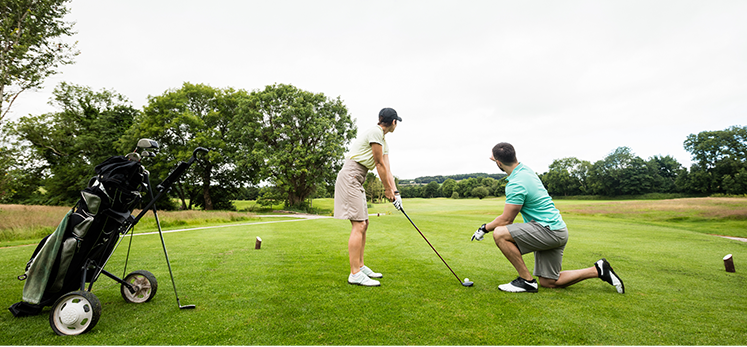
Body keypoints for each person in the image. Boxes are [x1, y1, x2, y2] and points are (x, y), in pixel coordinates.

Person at [471, 142, 624, 294]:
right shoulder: (525, 170)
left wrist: (484, 228)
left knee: (500, 233)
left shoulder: (516, 183)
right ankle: (598, 270)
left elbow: (506, 220)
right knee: (549, 282)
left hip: (547, 230)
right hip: (558, 230)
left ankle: (527, 281)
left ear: (498, 162)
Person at [334, 107, 403, 287]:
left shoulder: (383, 141)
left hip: (358, 178)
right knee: (359, 224)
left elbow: (387, 168)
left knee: (365, 222)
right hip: (351, 176)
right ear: (393, 122)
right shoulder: (375, 132)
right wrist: (387, 190)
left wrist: (395, 192)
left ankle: (360, 266)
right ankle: (355, 274)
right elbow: (379, 163)